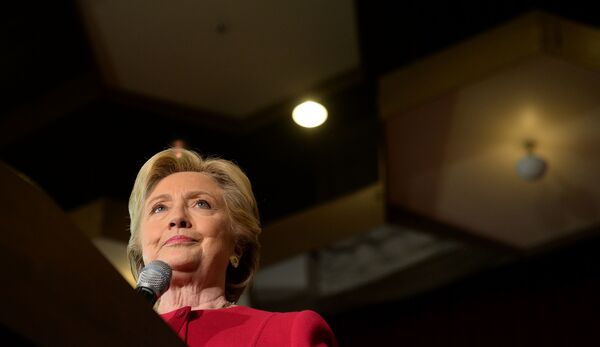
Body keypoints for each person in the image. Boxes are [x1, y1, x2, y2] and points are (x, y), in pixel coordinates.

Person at [127, 148, 337, 347]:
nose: (177, 217)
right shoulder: (110, 334)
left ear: (237, 245)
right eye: (159, 208)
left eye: (201, 203)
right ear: (139, 245)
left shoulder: (288, 334)